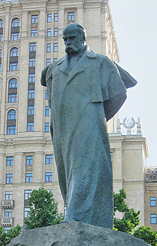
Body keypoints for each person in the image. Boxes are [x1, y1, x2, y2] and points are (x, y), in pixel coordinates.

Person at [41, 23, 136, 229]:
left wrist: (97, 115)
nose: (68, 43)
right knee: (68, 173)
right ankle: (76, 215)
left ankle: (75, 216)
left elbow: (120, 93)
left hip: (89, 124)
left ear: (83, 38)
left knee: (86, 168)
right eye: (65, 39)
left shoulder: (99, 62)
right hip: (62, 127)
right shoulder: (54, 69)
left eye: (72, 38)